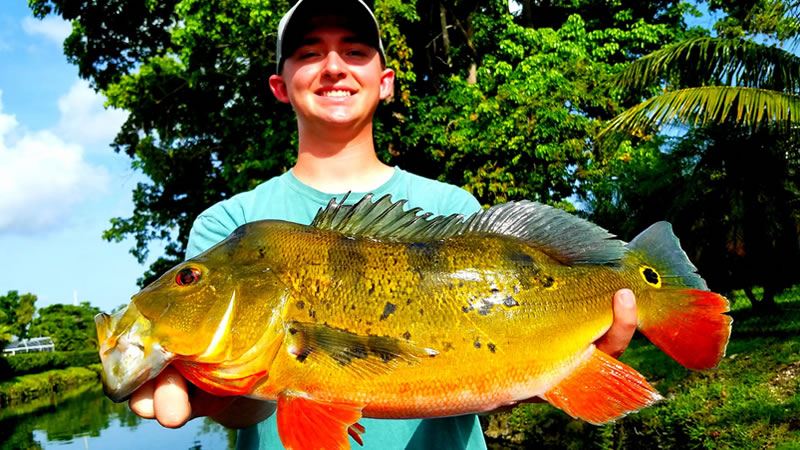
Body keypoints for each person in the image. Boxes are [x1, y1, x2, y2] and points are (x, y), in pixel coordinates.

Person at [127, 0, 639, 448]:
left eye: (354, 51)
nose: (332, 67)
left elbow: (486, 388)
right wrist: (214, 395)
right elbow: (249, 405)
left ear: (385, 81)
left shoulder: (452, 206)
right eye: (308, 52)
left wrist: (552, 367)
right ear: (280, 87)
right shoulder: (231, 226)